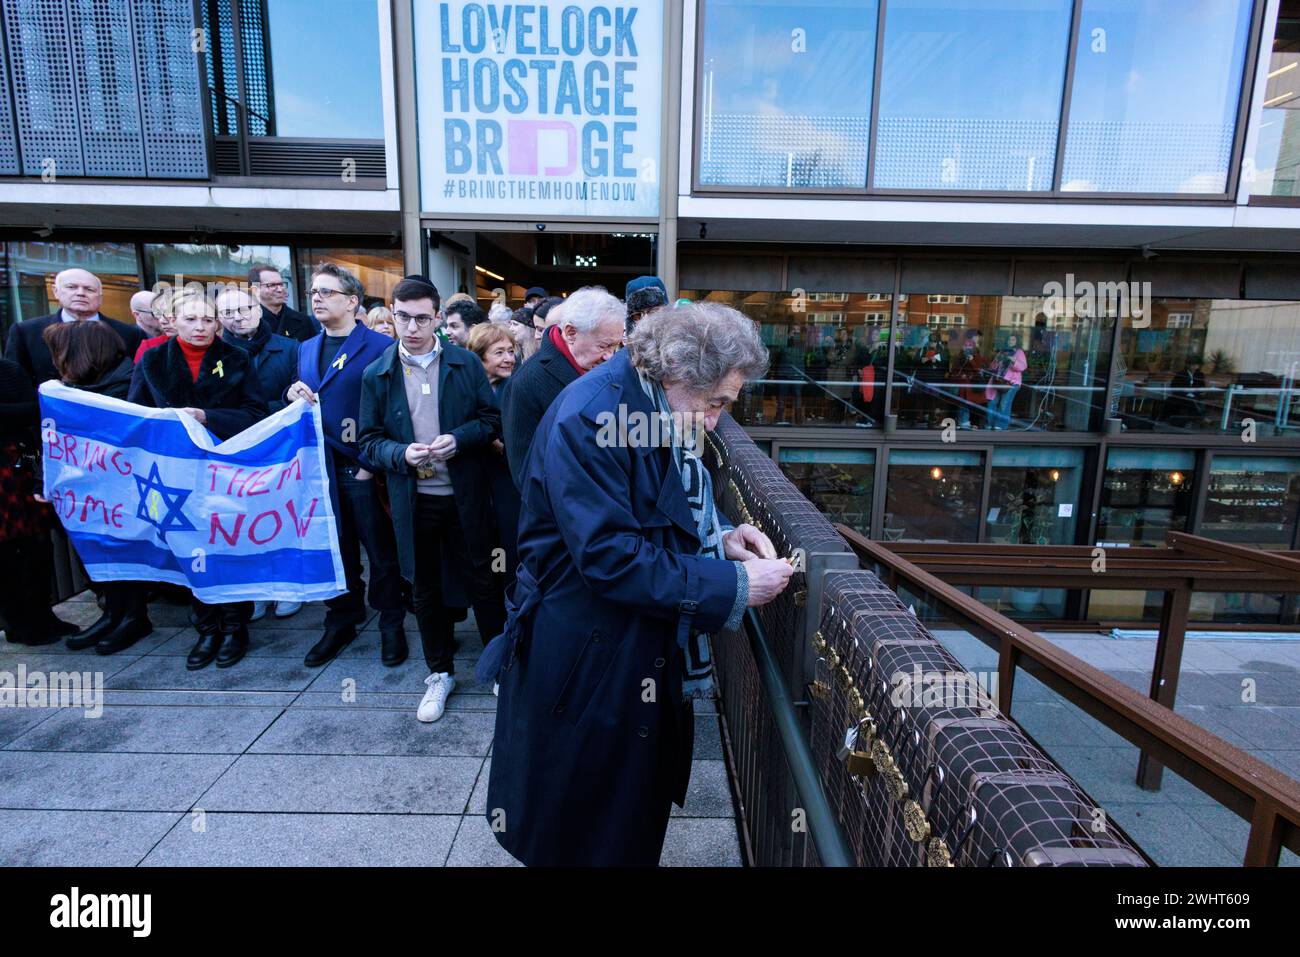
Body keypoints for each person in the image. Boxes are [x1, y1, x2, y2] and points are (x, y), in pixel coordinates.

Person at [484, 301, 794, 866]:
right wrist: (734, 585)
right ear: (679, 374)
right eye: (716, 402)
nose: (717, 420)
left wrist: (718, 538)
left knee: (613, 820)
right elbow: (610, 556)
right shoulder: (596, 414)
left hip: (610, 654)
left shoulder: (638, 400)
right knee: (591, 829)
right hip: (588, 659)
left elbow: (647, 511)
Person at [358, 277, 507, 721]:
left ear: (438, 318)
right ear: (392, 313)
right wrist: (400, 452)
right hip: (414, 498)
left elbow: (490, 420)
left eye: (423, 318)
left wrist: (458, 440)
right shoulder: (377, 373)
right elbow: (367, 442)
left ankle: (499, 667)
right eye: (403, 317)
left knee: (485, 579)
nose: (412, 327)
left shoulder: (463, 363)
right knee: (424, 588)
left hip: (465, 495)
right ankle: (439, 673)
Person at [135, 290, 266, 668]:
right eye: (191, 319)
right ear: (173, 321)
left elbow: (255, 412)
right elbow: (137, 413)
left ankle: (234, 626)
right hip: (172, 472)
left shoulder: (237, 358)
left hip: (223, 469)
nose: (201, 326)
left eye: (208, 319)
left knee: (227, 546)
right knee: (188, 550)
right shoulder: (153, 359)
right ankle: (206, 629)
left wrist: (208, 416)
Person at [285, 263, 406, 667]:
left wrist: (373, 464)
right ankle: (341, 618)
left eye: (327, 292)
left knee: (381, 551)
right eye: (314, 292)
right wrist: (291, 392)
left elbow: (395, 410)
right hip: (319, 471)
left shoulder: (379, 347)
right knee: (333, 547)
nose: (317, 298)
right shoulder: (305, 348)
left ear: (353, 301)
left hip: (362, 467)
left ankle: (391, 622)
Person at [44, 322, 152, 654]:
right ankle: (113, 612)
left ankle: (134, 616)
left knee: (122, 549)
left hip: (119, 489)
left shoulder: (124, 386)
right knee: (100, 548)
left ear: (81, 353)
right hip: (89, 491)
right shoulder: (72, 390)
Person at [215, 286, 305, 622]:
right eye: (227, 313)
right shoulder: (215, 353)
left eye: (243, 309)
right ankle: (253, 592)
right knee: (240, 522)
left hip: (280, 447)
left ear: (257, 309)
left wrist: (272, 408)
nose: (237, 317)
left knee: (279, 517)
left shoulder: (290, 348)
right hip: (232, 448)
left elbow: (298, 392)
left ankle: (286, 587)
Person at [499, 287, 624, 488]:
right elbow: (526, 474)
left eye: (615, 346)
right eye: (604, 346)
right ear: (570, 333)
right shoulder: (526, 382)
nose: (611, 355)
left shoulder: (606, 369)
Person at [0, 357, 74, 645]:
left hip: (19, 466)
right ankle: (18, 622)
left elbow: (36, 412)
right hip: (11, 465)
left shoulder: (9, 368)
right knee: (6, 553)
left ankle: (42, 616)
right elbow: (31, 410)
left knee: (37, 546)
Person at [5, 268, 144, 386]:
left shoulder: (129, 334)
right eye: (71, 287)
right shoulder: (26, 332)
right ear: (56, 291)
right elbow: (16, 381)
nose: (80, 293)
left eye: (89, 289)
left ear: (100, 297)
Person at [467, 323, 522, 590]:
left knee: (509, 546)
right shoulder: (464, 388)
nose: (509, 358)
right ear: (479, 357)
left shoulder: (516, 387)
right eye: (499, 352)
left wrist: (504, 447)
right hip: (474, 479)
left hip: (506, 481)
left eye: (511, 351)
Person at [249, 263, 320, 342]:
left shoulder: (303, 321)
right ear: (255, 290)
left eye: (281, 284)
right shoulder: (247, 323)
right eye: (272, 285)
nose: (280, 289)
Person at [985, 334, 1027, 430]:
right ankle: (990, 424)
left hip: (1011, 382)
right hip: (998, 381)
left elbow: (1023, 367)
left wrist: (1013, 360)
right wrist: (996, 361)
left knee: (1004, 404)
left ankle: (1000, 425)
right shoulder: (1002, 351)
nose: (1010, 341)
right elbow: (992, 367)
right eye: (1009, 339)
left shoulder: (1019, 352)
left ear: (1017, 342)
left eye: (1013, 340)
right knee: (992, 402)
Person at [952, 328, 987, 429]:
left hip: (972, 382)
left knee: (970, 403)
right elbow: (960, 365)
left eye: (978, 337)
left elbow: (979, 366)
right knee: (966, 402)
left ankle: (967, 422)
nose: (978, 339)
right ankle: (964, 421)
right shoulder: (969, 349)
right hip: (967, 381)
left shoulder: (976, 350)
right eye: (976, 336)